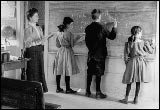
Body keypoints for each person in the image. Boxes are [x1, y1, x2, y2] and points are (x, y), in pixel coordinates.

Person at [85, 9, 117, 99]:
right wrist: (114, 27)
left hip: (91, 54)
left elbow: (86, 41)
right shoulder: (102, 27)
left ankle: (87, 91)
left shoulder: (88, 28)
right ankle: (98, 93)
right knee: (98, 73)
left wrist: (91, 50)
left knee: (90, 72)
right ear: (99, 17)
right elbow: (112, 37)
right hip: (100, 54)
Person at [119, 26, 155, 104]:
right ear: (137, 33)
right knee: (138, 81)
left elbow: (126, 56)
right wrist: (152, 44)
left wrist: (127, 63)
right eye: (141, 32)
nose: (142, 34)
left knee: (129, 81)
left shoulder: (129, 43)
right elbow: (151, 51)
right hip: (141, 63)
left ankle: (126, 99)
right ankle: (136, 99)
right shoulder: (144, 42)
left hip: (132, 63)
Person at [24, 8, 48, 93]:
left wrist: (44, 39)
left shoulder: (39, 28)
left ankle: (40, 90)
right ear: (30, 18)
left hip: (39, 50)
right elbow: (27, 44)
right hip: (32, 51)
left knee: (40, 69)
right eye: (36, 16)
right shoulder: (28, 29)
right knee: (33, 71)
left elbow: (41, 40)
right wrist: (39, 42)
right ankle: (32, 90)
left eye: (38, 15)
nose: (38, 17)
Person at [53, 17, 80, 94]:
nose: (71, 26)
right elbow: (72, 44)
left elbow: (57, 45)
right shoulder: (69, 33)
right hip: (67, 52)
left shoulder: (58, 32)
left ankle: (58, 88)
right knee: (67, 70)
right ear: (67, 24)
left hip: (60, 51)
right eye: (71, 24)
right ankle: (68, 89)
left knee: (59, 69)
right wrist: (78, 39)